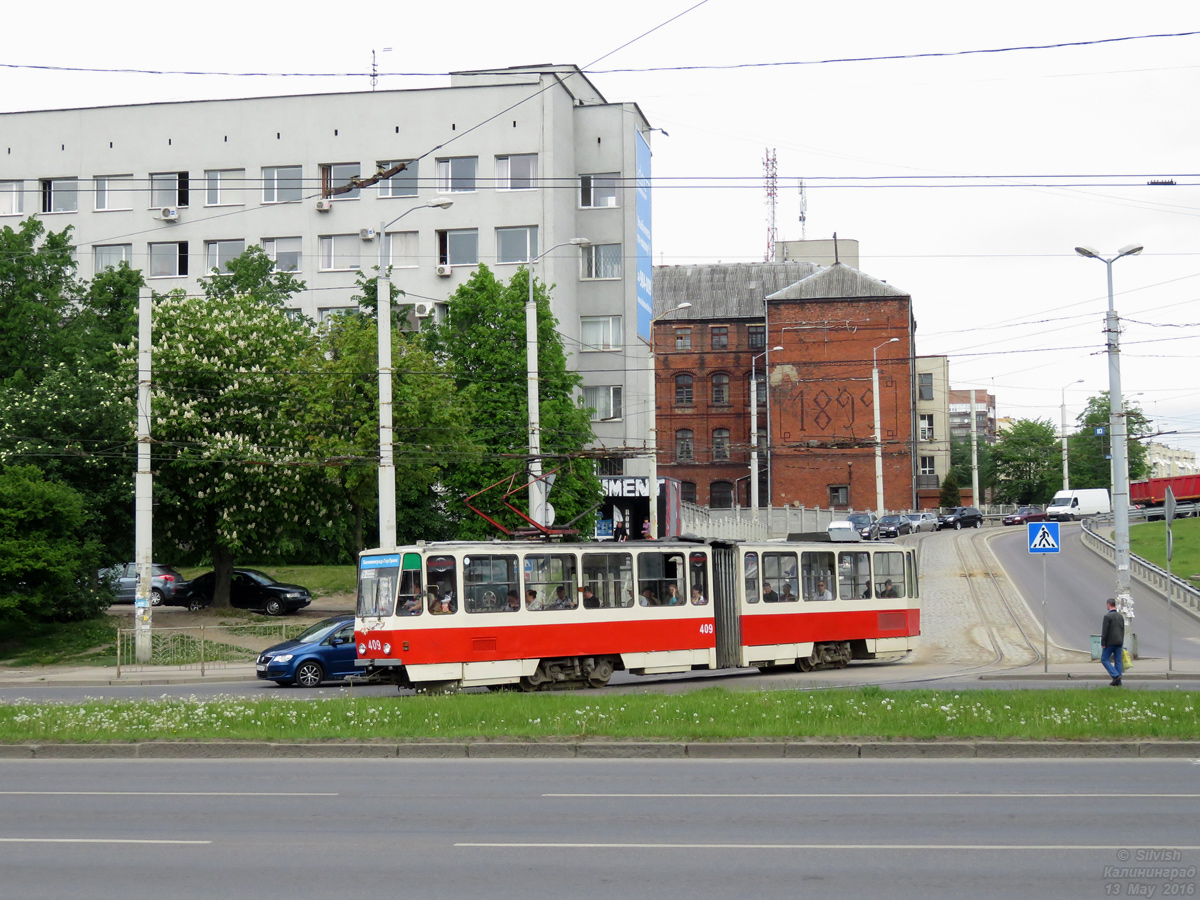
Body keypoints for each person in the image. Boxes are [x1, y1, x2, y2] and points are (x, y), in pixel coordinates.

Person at [1100, 598, 1125, 687]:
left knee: (1104, 659)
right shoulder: (1120, 616)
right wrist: (1121, 640)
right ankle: (1118, 681)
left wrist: (1103, 642)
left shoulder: (1107, 617)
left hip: (1110, 642)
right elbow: (1122, 629)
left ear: (1108, 605)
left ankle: (1115, 676)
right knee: (1118, 660)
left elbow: (1105, 631)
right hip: (1119, 641)